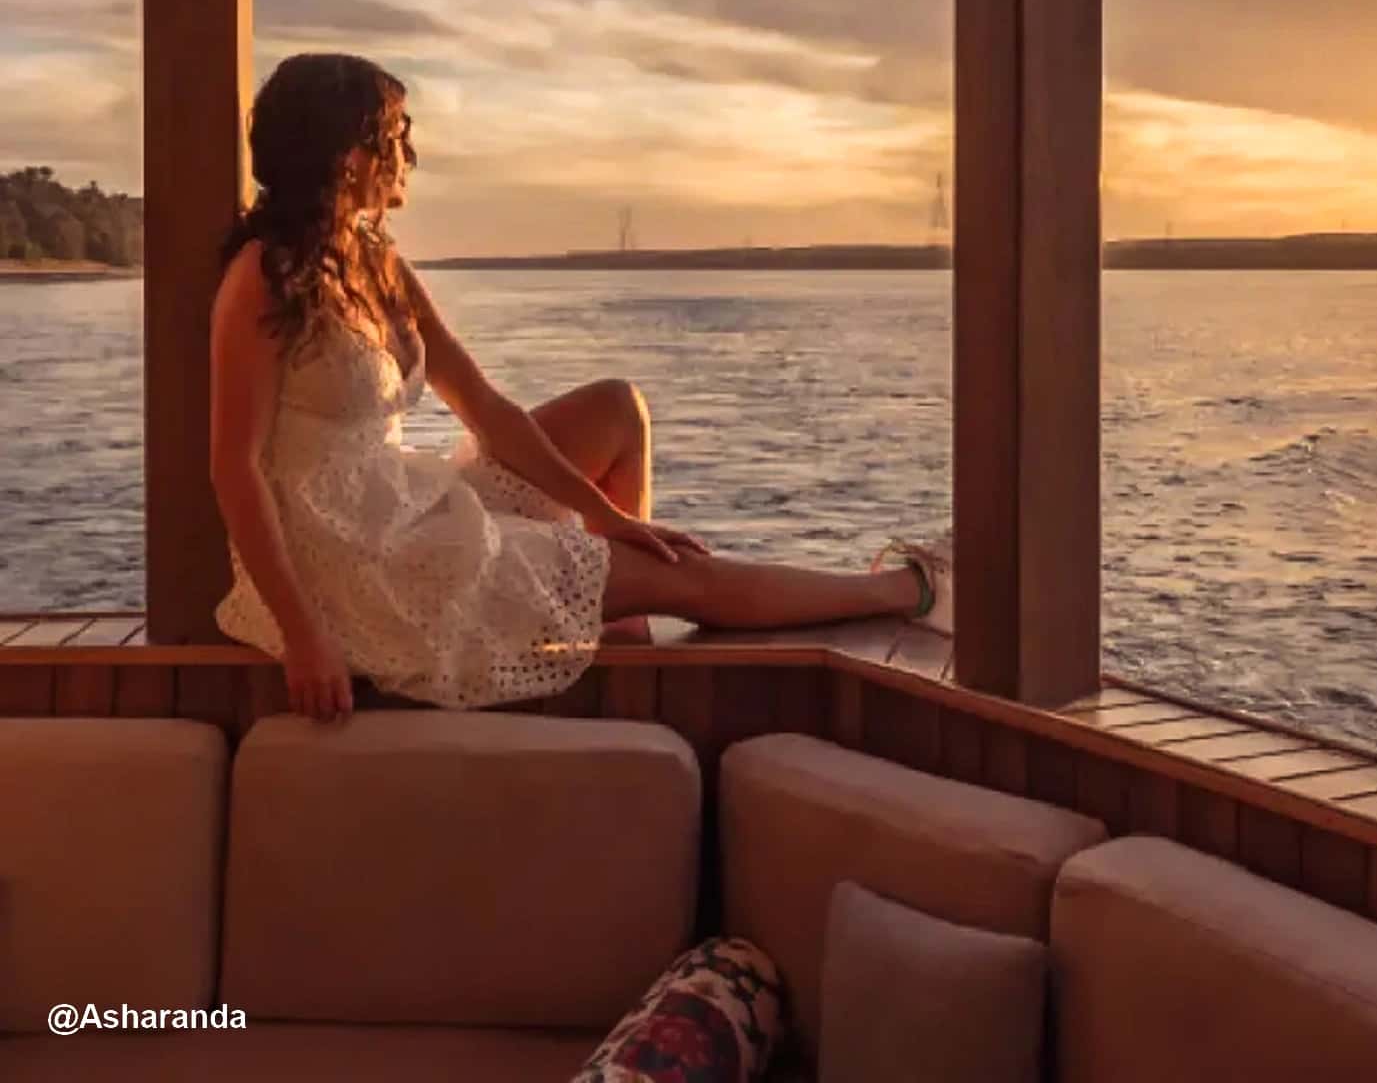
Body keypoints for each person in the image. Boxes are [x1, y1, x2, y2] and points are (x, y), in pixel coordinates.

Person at [209, 52, 951, 722]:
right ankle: (910, 591)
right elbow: (236, 468)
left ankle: (616, 612)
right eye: (395, 134)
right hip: (351, 560)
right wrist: (303, 636)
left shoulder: (375, 262)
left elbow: (487, 408)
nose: (410, 153)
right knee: (684, 576)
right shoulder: (265, 278)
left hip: (402, 501)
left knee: (614, 409)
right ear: (347, 153)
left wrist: (606, 517)